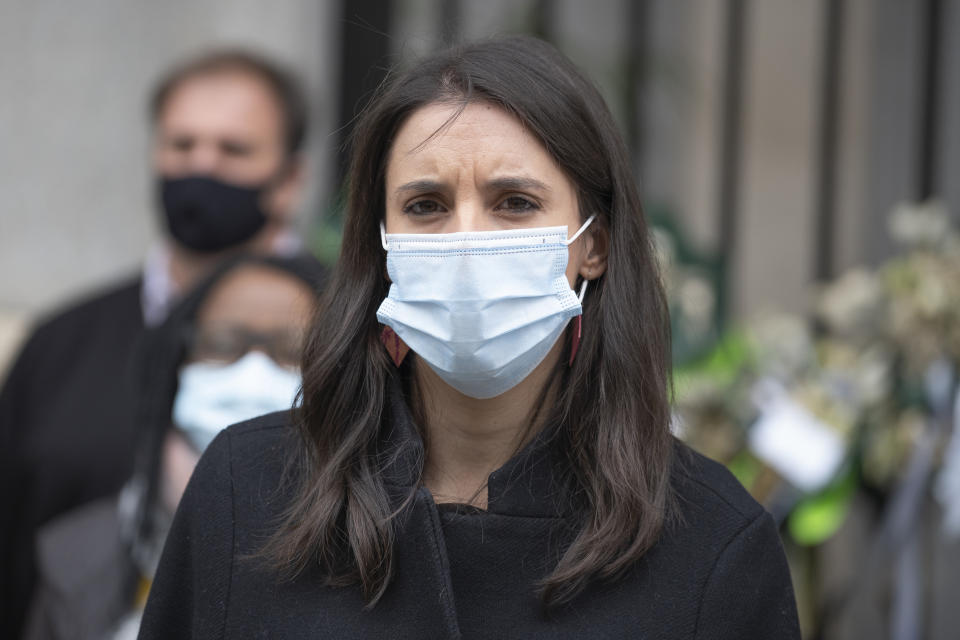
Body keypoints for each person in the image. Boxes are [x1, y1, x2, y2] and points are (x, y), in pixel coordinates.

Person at [141, 36, 801, 638]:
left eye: (514, 202)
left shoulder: (710, 540)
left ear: (592, 245)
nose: (466, 240)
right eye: (425, 206)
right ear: (383, 243)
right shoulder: (248, 492)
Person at [0, 49, 310, 638]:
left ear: (289, 178)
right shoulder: (60, 345)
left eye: (233, 150)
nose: (201, 166)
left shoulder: (349, 339)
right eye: (182, 145)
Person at [23, 254, 324, 640]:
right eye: (222, 343)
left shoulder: (372, 562)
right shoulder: (77, 557)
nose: (253, 374)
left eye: (293, 351)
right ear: (175, 364)